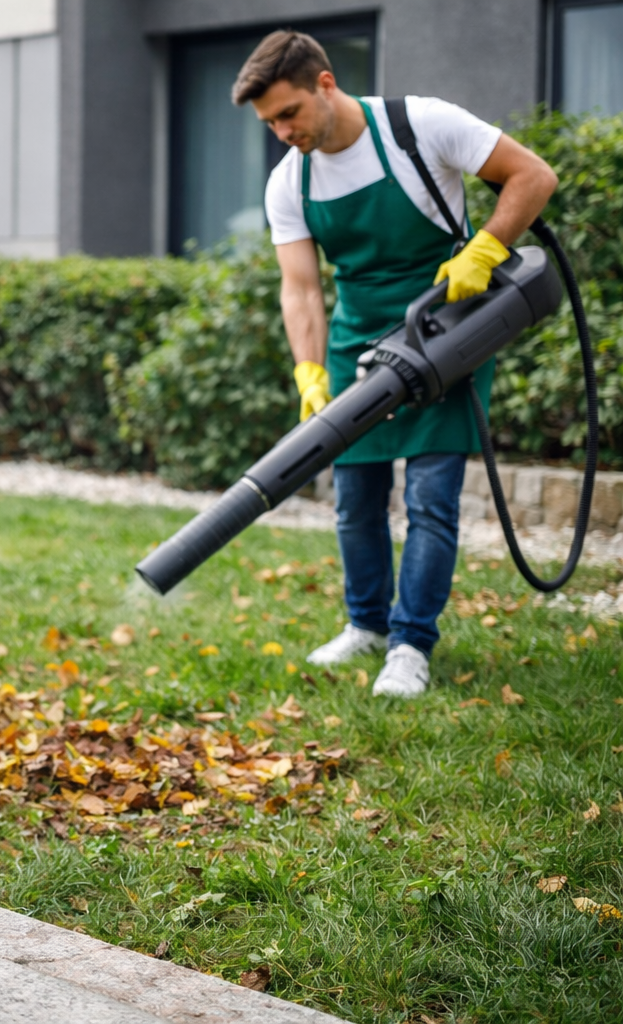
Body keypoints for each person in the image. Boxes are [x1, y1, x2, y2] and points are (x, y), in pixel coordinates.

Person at [233, 31, 557, 697]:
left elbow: (534, 175)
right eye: (269, 123)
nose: (282, 133)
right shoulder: (290, 180)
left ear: (325, 84)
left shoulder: (420, 126)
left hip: (445, 330)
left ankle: (411, 644)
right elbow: (301, 289)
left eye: (289, 113)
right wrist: (309, 370)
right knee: (354, 501)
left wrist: (486, 248)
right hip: (358, 342)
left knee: (430, 500)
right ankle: (367, 625)